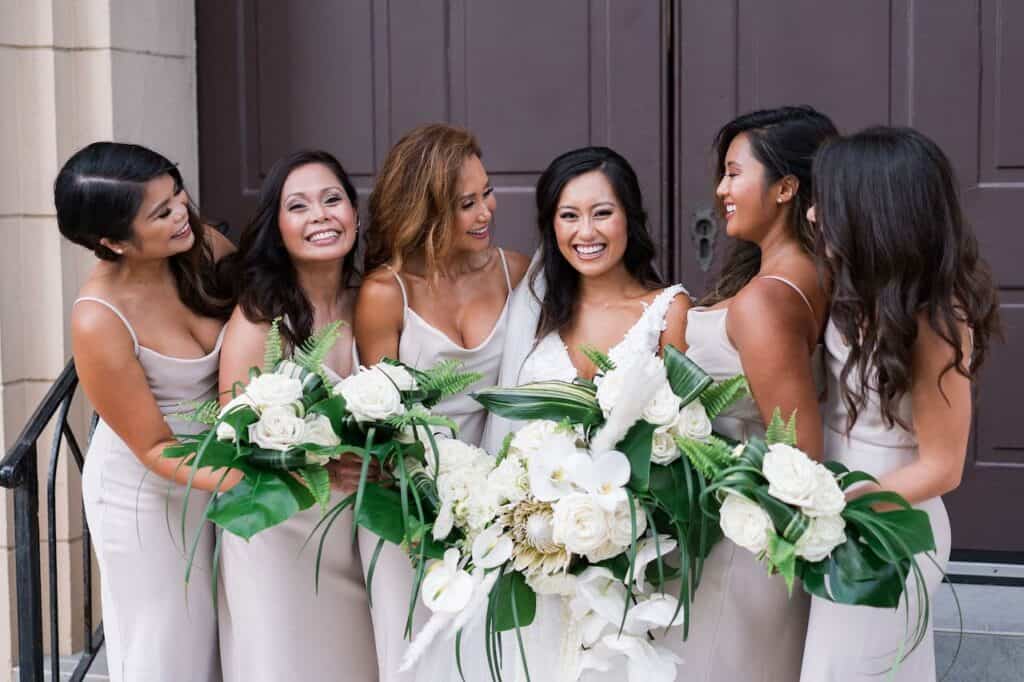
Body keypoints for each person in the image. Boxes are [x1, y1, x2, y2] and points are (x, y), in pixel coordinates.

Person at [799, 127, 1000, 681]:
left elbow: (943, 466)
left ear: (875, 213)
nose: (814, 216)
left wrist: (842, 511)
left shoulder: (937, 319)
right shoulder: (852, 290)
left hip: (887, 531)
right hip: (842, 516)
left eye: (829, 205)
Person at [486, 145, 691, 680]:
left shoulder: (668, 310)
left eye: (602, 212)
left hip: (629, 553)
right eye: (568, 215)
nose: (586, 231)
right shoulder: (532, 311)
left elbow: (683, 437)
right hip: (536, 553)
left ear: (630, 217)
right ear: (550, 225)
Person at [354, 123, 528, 680]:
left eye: (487, 194)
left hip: (499, 498)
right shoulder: (386, 293)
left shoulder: (516, 272)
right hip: (407, 501)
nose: (485, 213)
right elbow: (379, 415)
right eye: (465, 204)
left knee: (489, 656)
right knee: (415, 658)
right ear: (425, 212)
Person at [59, 141, 234, 682]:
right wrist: (249, 477)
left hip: (220, 470)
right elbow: (155, 446)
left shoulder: (200, 245)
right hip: (149, 494)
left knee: (227, 641)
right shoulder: (99, 319)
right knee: (169, 651)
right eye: (160, 213)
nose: (182, 212)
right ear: (112, 242)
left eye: (176, 192)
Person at [679, 106, 837, 680]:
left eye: (733, 173)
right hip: (731, 539)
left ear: (786, 188)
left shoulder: (768, 300)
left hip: (746, 547)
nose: (721, 189)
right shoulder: (802, 275)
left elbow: (799, 452)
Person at [215, 150, 378, 682]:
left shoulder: (372, 301)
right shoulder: (259, 316)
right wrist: (319, 466)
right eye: (299, 206)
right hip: (279, 532)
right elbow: (231, 434)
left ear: (354, 212)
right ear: (277, 226)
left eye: (333, 200)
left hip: (355, 530)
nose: (321, 216)